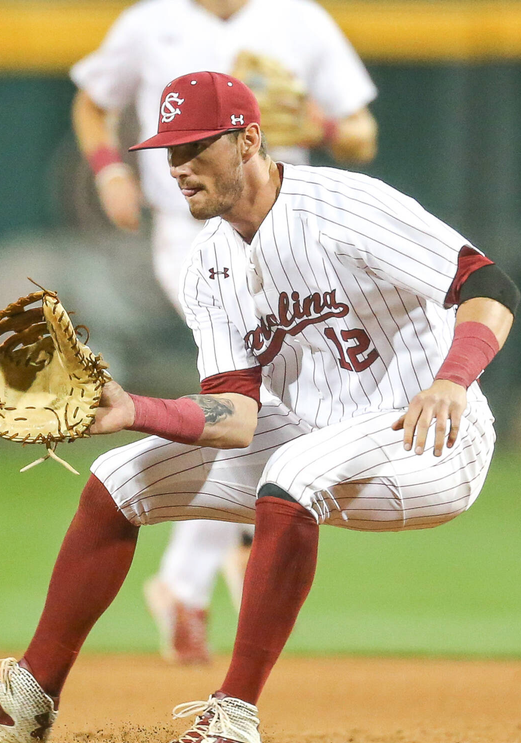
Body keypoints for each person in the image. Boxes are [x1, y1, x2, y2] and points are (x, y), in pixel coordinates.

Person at [0, 72, 520, 743]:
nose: (176, 169)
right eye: (168, 151)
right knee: (120, 479)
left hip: (430, 442)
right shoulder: (211, 267)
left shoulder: (343, 206)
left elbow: (488, 283)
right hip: (319, 434)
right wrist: (135, 411)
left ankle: (235, 722)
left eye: (196, 148)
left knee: (294, 471)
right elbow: (235, 418)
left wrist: (452, 379)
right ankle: (28, 695)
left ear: (249, 140)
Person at [71, 0, 380, 665]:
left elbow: (362, 135)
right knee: (264, 401)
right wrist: (110, 169)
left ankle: (183, 583)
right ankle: (190, 581)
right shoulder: (149, 22)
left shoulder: (299, 19)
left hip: (290, 233)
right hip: (190, 236)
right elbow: (91, 102)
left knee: (271, 411)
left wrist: (323, 124)